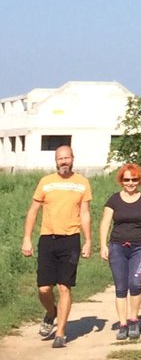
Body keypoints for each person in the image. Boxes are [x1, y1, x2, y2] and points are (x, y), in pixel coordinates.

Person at [21, 145, 93, 348]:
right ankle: (51, 312)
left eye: (67, 158)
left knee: (64, 287)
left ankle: (60, 333)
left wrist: (88, 240)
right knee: (44, 288)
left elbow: (85, 213)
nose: (64, 162)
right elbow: (33, 211)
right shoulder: (46, 182)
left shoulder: (82, 183)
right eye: (60, 159)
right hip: (47, 239)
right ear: (56, 161)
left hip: (70, 240)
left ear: (73, 159)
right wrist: (27, 237)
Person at [99, 163, 141, 341]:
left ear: (139, 180)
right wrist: (103, 245)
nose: (130, 183)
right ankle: (123, 324)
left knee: (135, 284)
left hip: (139, 248)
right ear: (121, 181)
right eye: (127, 180)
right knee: (121, 287)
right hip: (117, 247)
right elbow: (104, 224)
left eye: (134, 179)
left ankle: (134, 320)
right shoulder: (113, 200)